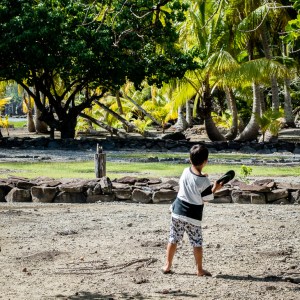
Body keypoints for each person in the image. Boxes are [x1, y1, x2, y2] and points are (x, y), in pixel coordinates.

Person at [163, 144, 223, 276]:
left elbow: (192, 181)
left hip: (177, 212)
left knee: (173, 239)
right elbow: (207, 197)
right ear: (205, 161)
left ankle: (167, 265)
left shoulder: (185, 171)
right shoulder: (204, 181)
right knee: (197, 243)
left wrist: (203, 177)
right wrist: (215, 188)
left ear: (190, 159)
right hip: (193, 217)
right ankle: (199, 269)